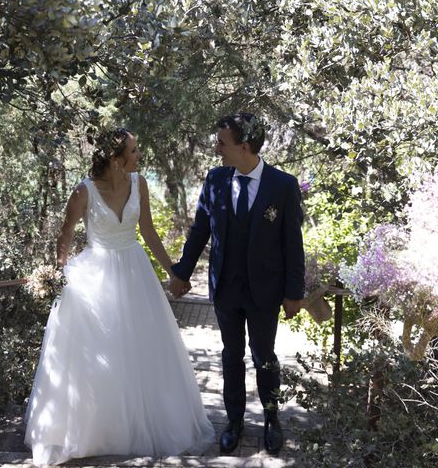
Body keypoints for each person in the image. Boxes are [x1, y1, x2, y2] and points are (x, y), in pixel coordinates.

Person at [24, 128, 214, 466]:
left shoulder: (138, 183)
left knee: (142, 348)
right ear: (115, 158)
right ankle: (100, 430)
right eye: (134, 149)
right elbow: (65, 234)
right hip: (94, 276)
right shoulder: (83, 191)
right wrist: (59, 274)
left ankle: (142, 425)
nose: (139, 154)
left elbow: (149, 231)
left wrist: (173, 271)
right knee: (99, 353)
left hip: (134, 270)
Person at [168, 113, 305, 456]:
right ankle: (234, 422)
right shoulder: (215, 180)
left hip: (265, 291)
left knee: (265, 357)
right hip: (226, 289)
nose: (217, 149)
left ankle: (272, 420)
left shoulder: (282, 185)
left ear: (243, 147)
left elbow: (293, 243)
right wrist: (182, 273)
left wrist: (293, 294)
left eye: (222, 143)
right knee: (231, 356)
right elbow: (200, 230)